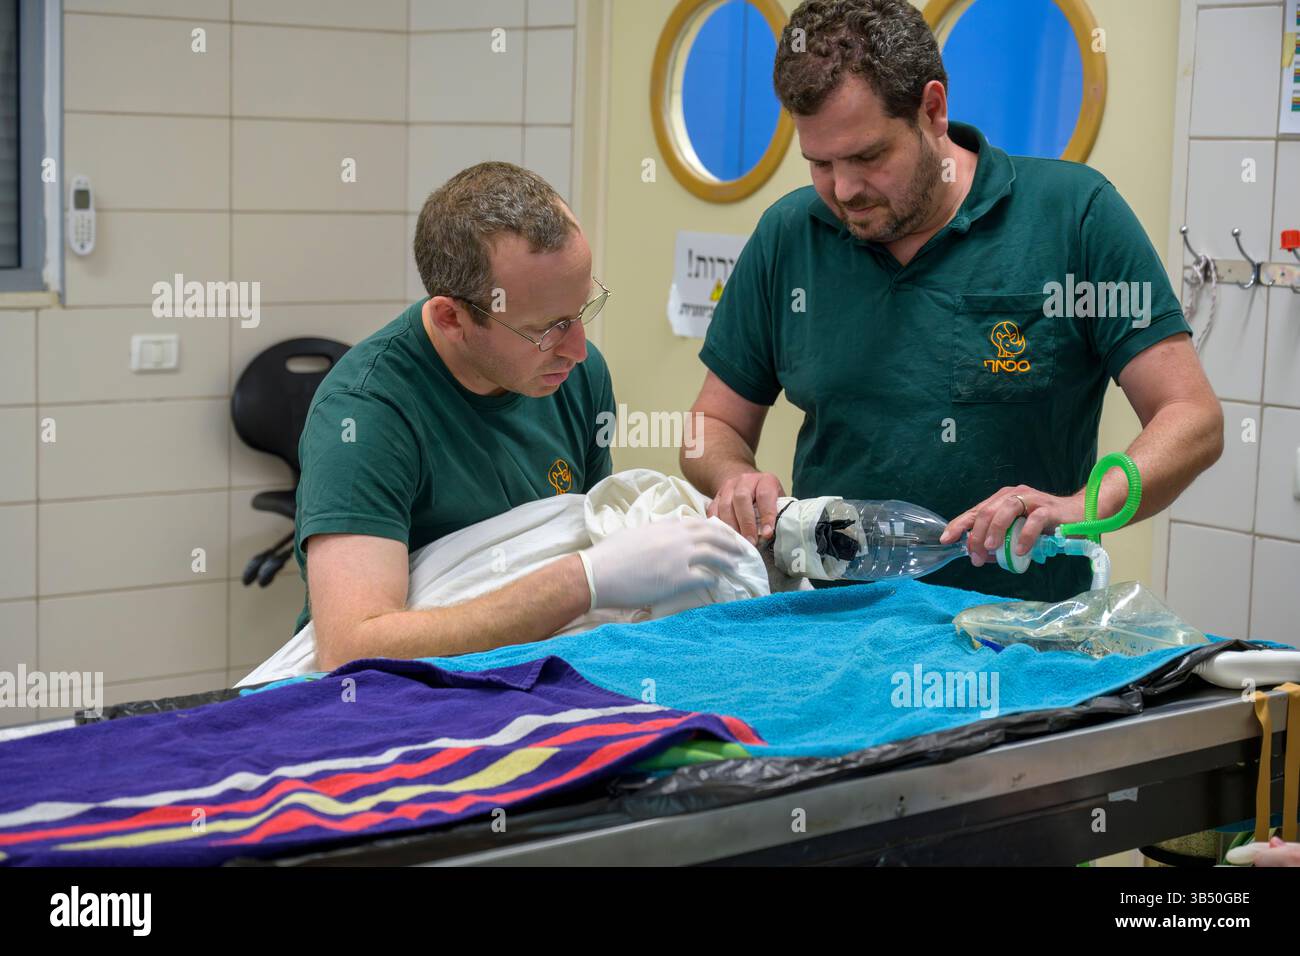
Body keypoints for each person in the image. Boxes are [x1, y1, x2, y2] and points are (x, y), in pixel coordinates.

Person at [682, 0, 1222, 601]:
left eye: (867, 157)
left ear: (932, 110)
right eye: (820, 163)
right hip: (831, 630)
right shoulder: (790, 236)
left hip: (1018, 639)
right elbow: (712, 423)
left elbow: (1191, 418)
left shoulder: (1073, 217)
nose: (844, 189)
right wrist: (734, 478)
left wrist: (1078, 507)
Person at [295, 162, 744, 669]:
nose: (577, 348)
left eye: (582, 311)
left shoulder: (577, 375)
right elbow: (352, 648)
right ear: (453, 319)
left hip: (543, 668)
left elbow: (583, 527)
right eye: (547, 328)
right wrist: (584, 580)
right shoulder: (365, 416)